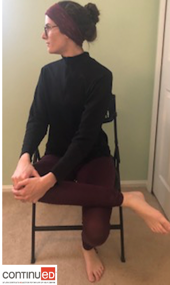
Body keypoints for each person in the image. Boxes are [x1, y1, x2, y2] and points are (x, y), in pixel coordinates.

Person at [11, 1, 170, 283]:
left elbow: (85, 139)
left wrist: (49, 179)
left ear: (68, 30)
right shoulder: (48, 74)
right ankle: (126, 199)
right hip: (57, 154)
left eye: (48, 27)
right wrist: (25, 156)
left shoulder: (100, 76)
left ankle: (88, 248)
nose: (43, 34)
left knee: (97, 233)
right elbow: (37, 119)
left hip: (93, 156)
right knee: (26, 188)